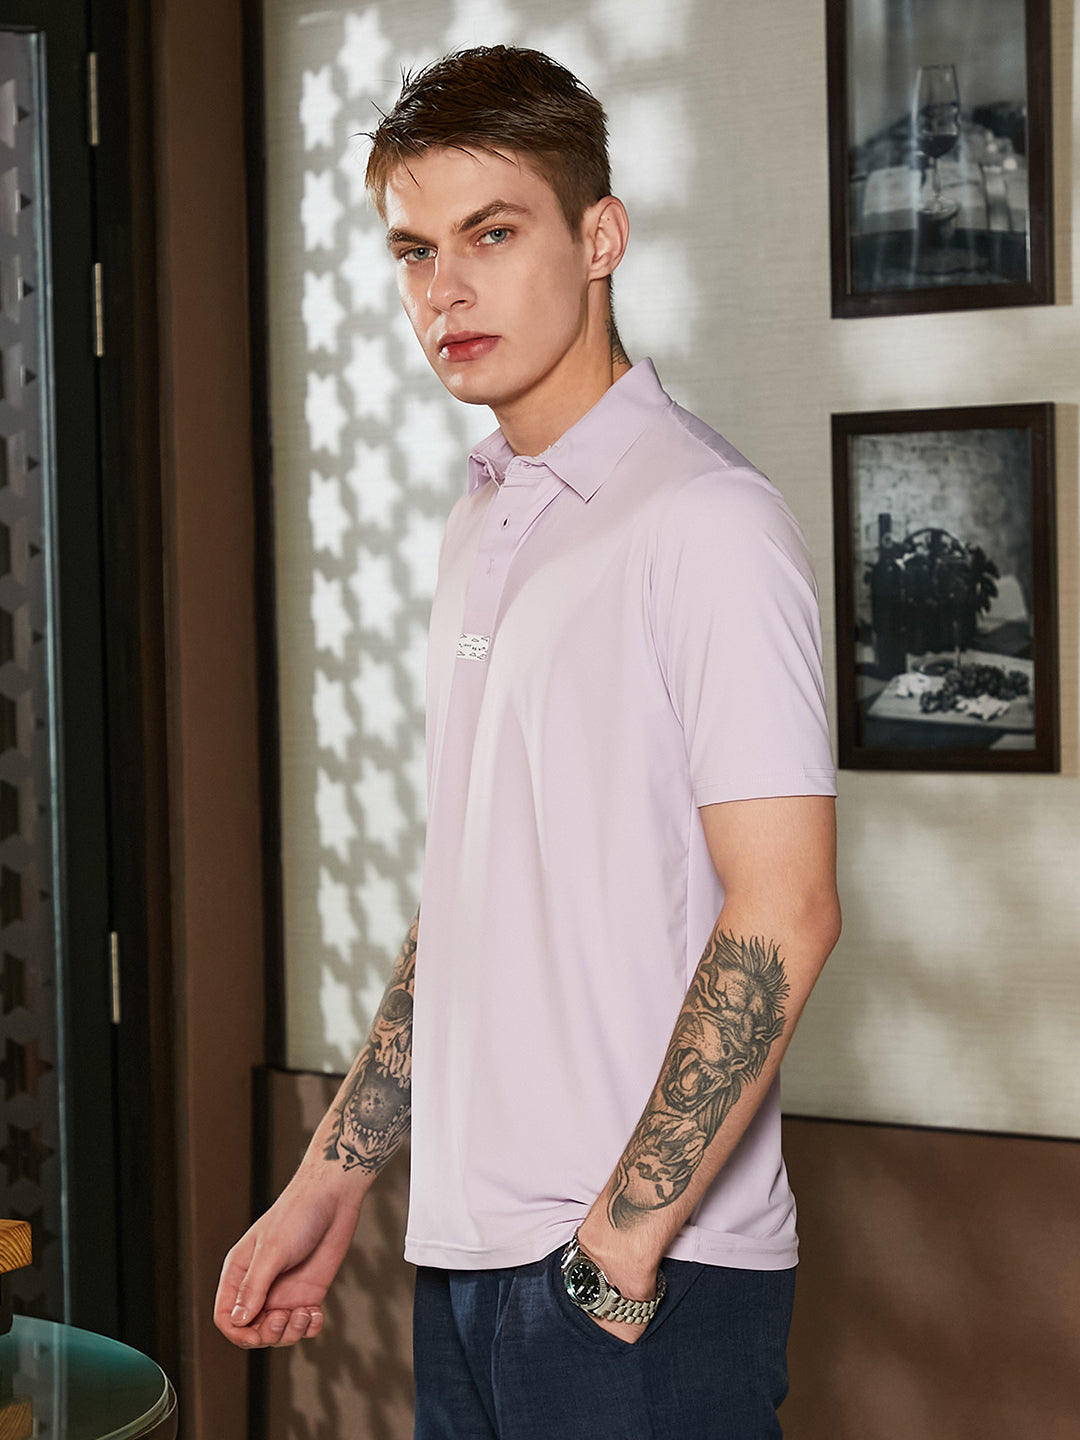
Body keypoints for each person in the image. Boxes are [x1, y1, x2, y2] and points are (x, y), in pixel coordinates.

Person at [215, 45, 841, 1439]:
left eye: (492, 234)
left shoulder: (706, 520)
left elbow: (788, 905)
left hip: (638, 1285)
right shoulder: (487, 517)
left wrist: (621, 1245)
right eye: (415, 249)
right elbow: (472, 905)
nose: (446, 289)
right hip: (468, 1263)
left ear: (599, 237)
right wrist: (330, 1180)